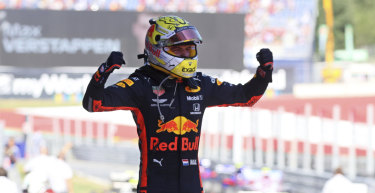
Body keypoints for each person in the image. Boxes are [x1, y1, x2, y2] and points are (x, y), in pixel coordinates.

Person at [83, 15, 273, 193]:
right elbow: (93, 104)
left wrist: (263, 74)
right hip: (154, 187)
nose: (186, 54)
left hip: (192, 187)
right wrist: (103, 73)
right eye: (178, 49)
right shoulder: (140, 84)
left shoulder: (201, 84)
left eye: (189, 49)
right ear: (158, 48)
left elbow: (247, 97)